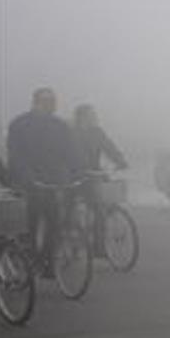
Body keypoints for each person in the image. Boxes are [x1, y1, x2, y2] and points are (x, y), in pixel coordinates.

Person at [7, 88, 78, 273]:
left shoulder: (60, 125)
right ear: (36, 102)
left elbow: (70, 152)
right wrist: (26, 176)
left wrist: (76, 173)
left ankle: (46, 260)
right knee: (28, 222)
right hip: (27, 181)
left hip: (51, 181)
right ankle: (27, 258)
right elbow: (15, 155)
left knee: (54, 220)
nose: (52, 105)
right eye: (47, 101)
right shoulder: (19, 124)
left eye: (53, 101)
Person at [71, 104, 129, 257]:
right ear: (82, 117)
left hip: (94, 173)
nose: (94, 118)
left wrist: (120, 160)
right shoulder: (71, 133)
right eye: (91, 115)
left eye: (94, 115)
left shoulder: (97, 132)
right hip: (75, 175)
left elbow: (109, 147)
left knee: (102, 206)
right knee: (74, 207)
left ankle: (99, 245)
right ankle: (74, 237)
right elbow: (67, 154)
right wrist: (77, 168)